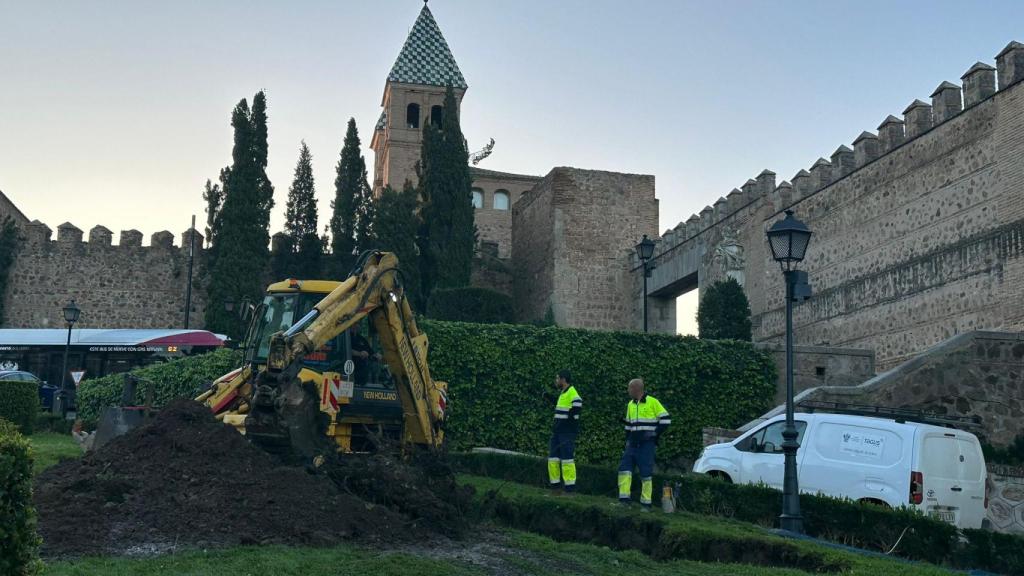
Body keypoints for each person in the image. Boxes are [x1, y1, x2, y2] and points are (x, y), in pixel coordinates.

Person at [618, 378, 670, 510]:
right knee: (624, 470)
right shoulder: (630, 404)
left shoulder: (653, 402)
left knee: (646, 474)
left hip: (646, 445)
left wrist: (654, 434)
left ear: (636, 389)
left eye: (629, 388)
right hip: (632, 444)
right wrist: (627, 441)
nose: (627, 390)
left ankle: (646, 504)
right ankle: (624, 501)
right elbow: (628, 426)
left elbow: (666, 420)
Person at [548, 369, 582, 493]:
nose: (556, 381)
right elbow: (561, 407)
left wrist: (569, 423)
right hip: (558, 432)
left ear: (563, 379)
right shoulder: (563, 393)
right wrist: (548, 397)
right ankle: (555, 487)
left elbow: (577, 405)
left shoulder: (572, 392)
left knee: (567, 460)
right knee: (553, 459)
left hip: (566, 433)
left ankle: (569, 488)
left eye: (557, 378)